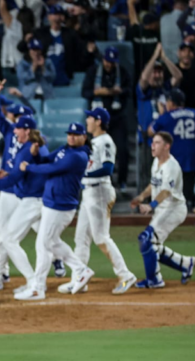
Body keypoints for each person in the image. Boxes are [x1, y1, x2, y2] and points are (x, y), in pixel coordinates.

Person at [0, 114, 51, 297]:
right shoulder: (30, 148)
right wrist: (8, 172)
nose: (14, 131)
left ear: (27, 130)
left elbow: (15, 178)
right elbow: (18, 173)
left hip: (34, 201)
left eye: (18, 128)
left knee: (10, 239)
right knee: (46, 242)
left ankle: (34, 283)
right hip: (33, 199)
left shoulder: (31, 149)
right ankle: (36, 281)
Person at [14, 123, 95, 301]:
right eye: (70, 134)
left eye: (76, 134)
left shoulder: (79, 156)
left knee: (44, 244)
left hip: (61, 205)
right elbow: (46, 161)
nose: (71, 137)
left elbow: (52, 169)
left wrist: (28, 167)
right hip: (52, 202)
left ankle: (39, 288)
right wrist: (35, 154)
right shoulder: (64, 150)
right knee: (48, 243)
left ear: (84, 137)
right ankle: (80, 270)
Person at [61, 108, 136, 296]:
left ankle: (125, 275)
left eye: (90, 117)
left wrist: (84, 173)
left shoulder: (105, 141)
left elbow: (108, 168)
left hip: (100, 192)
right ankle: (78, 279)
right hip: (89, 193)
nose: (87, 120)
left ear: (99, 121)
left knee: (101, 237)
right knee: (81, 239)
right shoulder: (93, 142)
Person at [130, 132, 195, 289]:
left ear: (167, 146)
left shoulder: (171, 166)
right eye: (153, 142)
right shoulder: (156, 162)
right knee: (150, 245)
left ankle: (155, 280)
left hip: (174, 209)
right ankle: (186, 263)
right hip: (162, 210)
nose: (153, 145)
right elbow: (154, 185)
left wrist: (150, 205)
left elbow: (165, 192)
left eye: (157, 143)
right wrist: (141, 197)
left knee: (146, 240)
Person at [82, 46, 132, 189]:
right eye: (107, 61)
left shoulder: (122, 72)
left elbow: (129, 91)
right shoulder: (93, 71)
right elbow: (85, 92)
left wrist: (119, 91)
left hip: (117, 117)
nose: (109, 64)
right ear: (103, 59)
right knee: (96, 151)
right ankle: (104, 180)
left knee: (122, 150)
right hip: (99, 120)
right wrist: (99, 92)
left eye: (112, 61)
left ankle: (122, 181)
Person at [151, 88, 195, 209]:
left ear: (172, 103)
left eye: (167, 101)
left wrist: (161, 114)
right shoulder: (194, 113)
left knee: (172, 189)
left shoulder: (167, 117)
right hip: (193, 155)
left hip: (176, 156)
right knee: (188, 190)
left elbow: (150, 131)